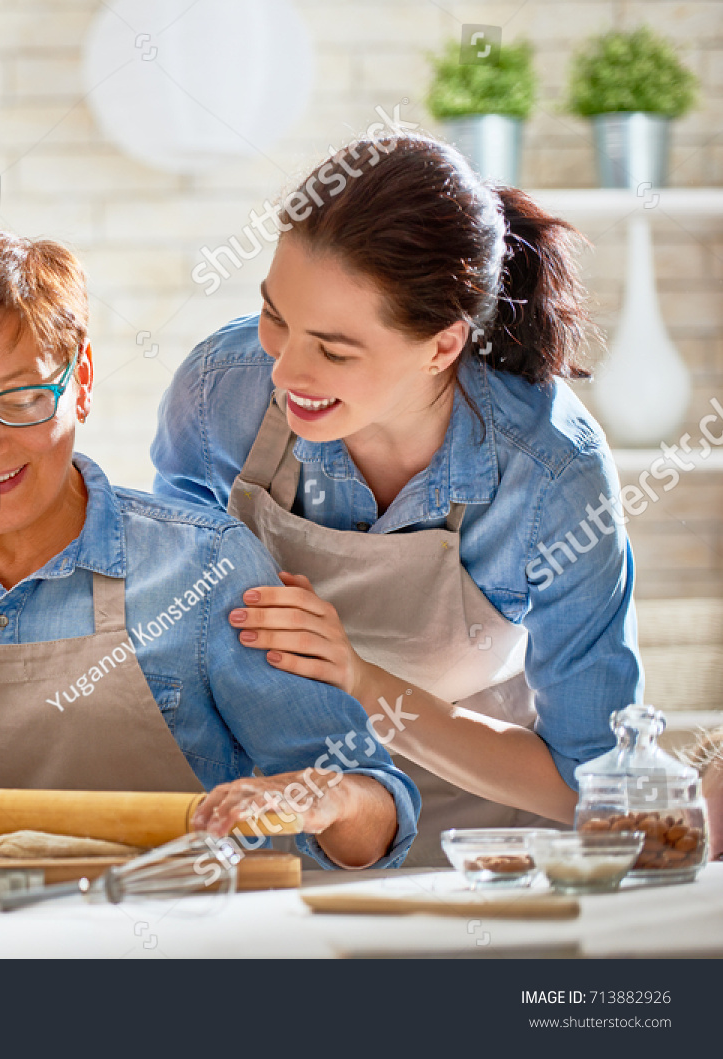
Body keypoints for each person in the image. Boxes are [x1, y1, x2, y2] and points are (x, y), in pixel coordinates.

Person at [0, 231, 419, 885]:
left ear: (84, 379)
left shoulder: (205, 570)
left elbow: (374, 820)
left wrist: (325, 798)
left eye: (21, 400)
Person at [152, 134, 642, 864]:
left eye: (334, 349)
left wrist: (359, 677)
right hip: (274, 818)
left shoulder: (551, 473)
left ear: (442, 345)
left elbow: (596, 789)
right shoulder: (220, 387)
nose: (285, 369)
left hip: (481, 845)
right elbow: (171, 620)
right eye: (275, 315)